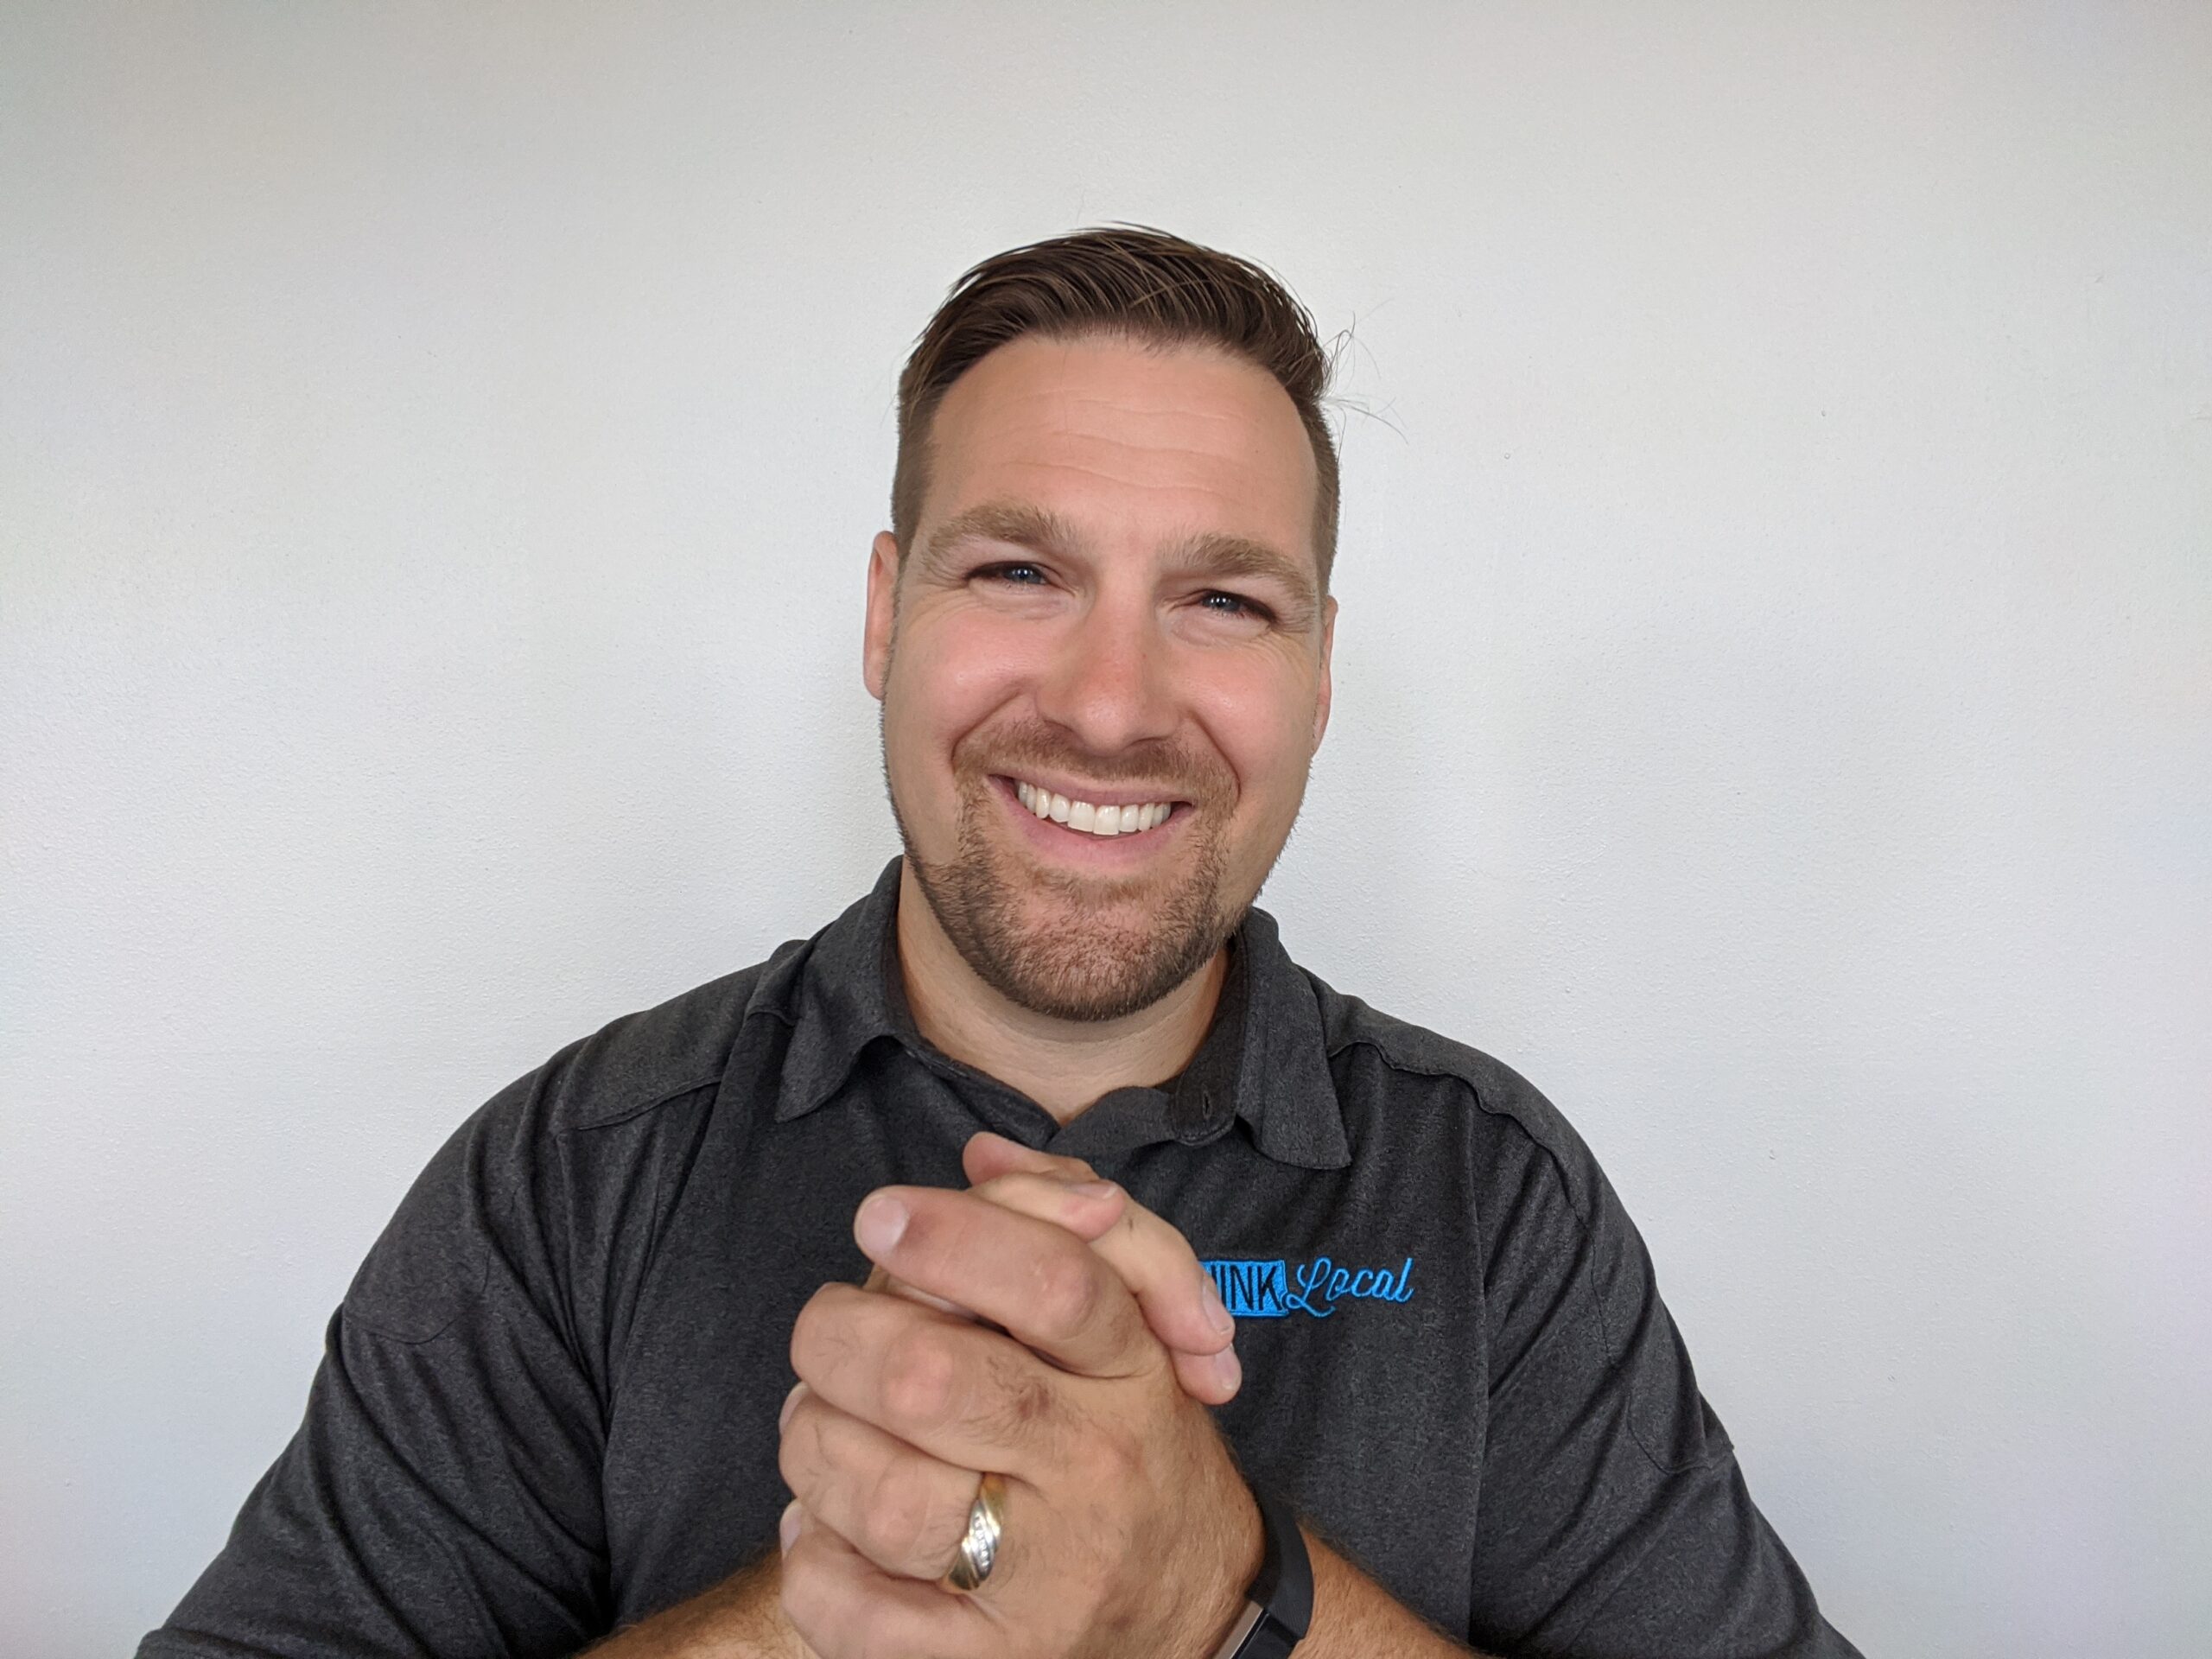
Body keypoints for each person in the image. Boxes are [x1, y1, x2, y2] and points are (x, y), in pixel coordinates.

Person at [139, 227, 1861, 1658]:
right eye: (1021, 573)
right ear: (886, 615)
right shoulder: (569, 1182)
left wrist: (1218, 1595)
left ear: (1318, 673)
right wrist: (800, 1619)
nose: (1110, 705)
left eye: (1220, 601)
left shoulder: (1490, 1201)